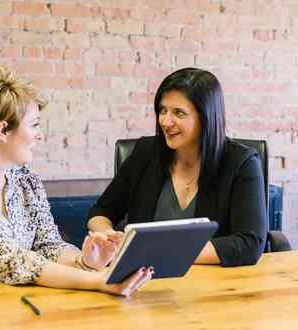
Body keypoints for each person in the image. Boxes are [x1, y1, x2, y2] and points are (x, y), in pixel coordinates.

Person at [0, 65, 152, 296]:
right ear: (2, 131)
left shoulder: (24, 178)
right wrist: (99, 281)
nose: (40, 135)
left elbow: (48, 245)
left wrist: (85, 262)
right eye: (34, 125)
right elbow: (12, 260)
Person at [87, 67, 268, 267]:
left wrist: (158, 252)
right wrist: (108, 235)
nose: (165, 121)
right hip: (143, 281)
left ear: (206, 117)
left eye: (178, 113)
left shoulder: (241, 162)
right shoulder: (146, 153)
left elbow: (250, 243)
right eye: (163, 110)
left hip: (214, 284)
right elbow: (101, 211)